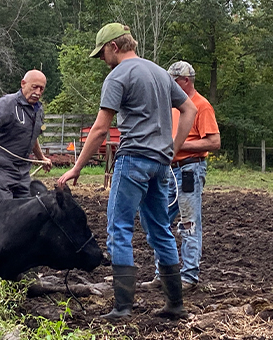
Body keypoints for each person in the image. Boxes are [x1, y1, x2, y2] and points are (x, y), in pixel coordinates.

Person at [57, 23, 198, 320]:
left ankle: (122, 307)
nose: (102, 60)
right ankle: (176, 304)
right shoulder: (160, 72)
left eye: (102, 53)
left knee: (118, 229)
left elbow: (99, 129)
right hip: (160, 164)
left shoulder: (117, 76)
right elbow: (190, 110)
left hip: (133, 159)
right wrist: (172, 149)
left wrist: (76, 167)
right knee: (160, 229)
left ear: (114, 47)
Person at [140, 61, 221, 291]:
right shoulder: (173, 106)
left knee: (189, 222)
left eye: (173, 82)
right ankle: (163, 272)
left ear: (185, 81)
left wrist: (179, 145)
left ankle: (189, 275)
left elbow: (214, 142)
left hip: (189, 169)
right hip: (169, 169)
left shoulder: (201, 106)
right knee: (159, 219)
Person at [0, 69, 52, 198]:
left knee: (25, 208)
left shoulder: (38, 110)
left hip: (22, 171)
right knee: (3, 209)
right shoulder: (8, 103)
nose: (38, 92)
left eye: (41, 89)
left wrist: (41, 158)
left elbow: (32, 137)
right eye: (34, 87)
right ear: (23, 83)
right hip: (0, 167)